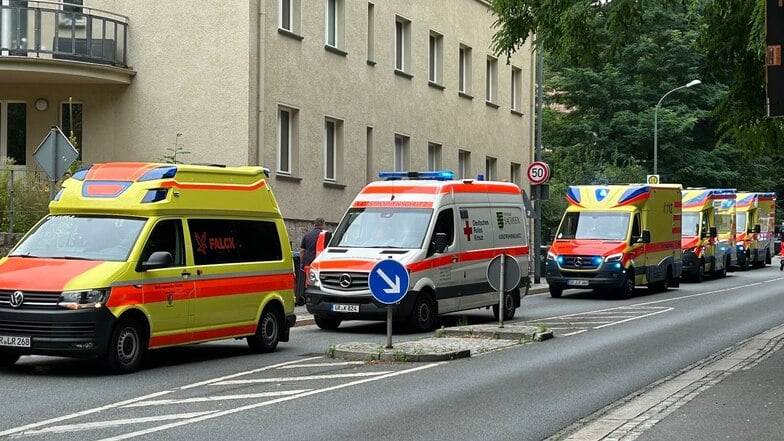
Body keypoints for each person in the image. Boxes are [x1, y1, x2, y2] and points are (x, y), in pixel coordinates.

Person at [297, 218, 326, 304]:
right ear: (323, 224)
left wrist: (302, 262)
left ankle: (309, 299)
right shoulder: (325, 235)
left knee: (309, 282)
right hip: (322, 264)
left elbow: (302, 251)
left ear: (314, 225)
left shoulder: (307, 235)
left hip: (309, 264)